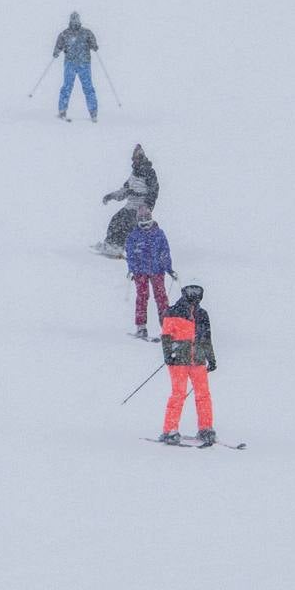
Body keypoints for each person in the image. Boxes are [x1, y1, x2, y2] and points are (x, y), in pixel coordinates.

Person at [157, 282, 219, 447]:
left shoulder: (202, 314)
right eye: (191, 291)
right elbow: (166, 336)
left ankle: (206, 428)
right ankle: (170, 429)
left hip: (197, 359)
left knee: (203, 394)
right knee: (179, 394)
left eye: (197, 291)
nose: (194, 295)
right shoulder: (173, 312)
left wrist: (211, 358)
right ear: (184, 292)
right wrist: (168, 355)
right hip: (179, 360)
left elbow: (206, 338)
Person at [94, 144, 159, 256]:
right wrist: (111, 196)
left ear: (142, 158)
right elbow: (125, 190)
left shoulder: (149, 172)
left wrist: (147, 206)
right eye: (134, 159)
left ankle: (120, 245)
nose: (135, 161)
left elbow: (154, 190)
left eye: (137, 158)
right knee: (116, 219)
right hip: (130, 205)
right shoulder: (133, 173)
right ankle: (111, 243)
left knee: (127, 222)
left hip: (141, 207)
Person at [122, 205, 175, 339]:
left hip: (157, 270)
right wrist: (132, 269)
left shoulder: (159, 234)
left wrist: (168, 268)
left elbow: (165, 252)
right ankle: (141, 327)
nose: (145, 224)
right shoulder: (134, 236)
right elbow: (130, 254)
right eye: (142, 220)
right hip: (141, 272)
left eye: (147, 219)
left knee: (161, 298)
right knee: (142, 297)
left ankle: (166, 327)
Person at [52, 11, 100, 122]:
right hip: (71, 64)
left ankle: (93, 113)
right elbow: (58, 46)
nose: (75, 22)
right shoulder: (65, 34)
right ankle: (62, 110)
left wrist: (94, 45)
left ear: (79, 20)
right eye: (73, 20)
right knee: (67, 87)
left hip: (84, 64)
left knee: (88, 88)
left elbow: (94, 45)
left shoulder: (86, 33)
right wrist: (56, 52)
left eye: (76, 20)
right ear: (70, 21)